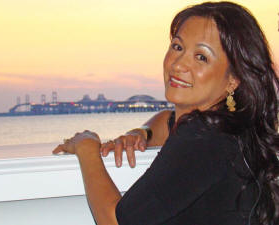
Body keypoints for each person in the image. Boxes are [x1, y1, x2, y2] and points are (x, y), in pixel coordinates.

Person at [52, 2, 279, 225]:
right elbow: (166, 120)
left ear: (233, 79)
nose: (178, 64)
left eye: (201, 57)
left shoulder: (202, 139)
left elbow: (114, 221)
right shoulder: (231, 126)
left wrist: (87, 148)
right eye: (178, 47)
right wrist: (142, 133)